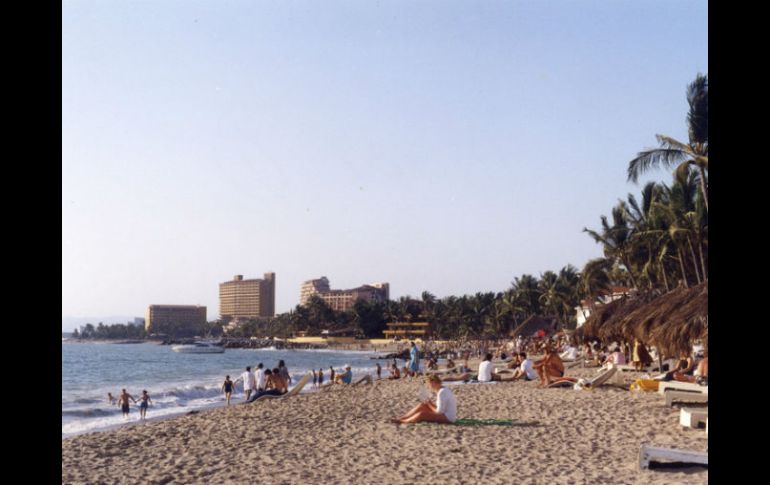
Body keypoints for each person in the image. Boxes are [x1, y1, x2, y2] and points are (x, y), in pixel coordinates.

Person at [391, 374, 457, 424]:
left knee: (422, 414)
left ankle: (403, 421)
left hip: (448, 418)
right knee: (422, 405)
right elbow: (441, 409)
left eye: (429, 384)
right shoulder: (443, 390)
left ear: (433, 383)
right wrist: (429, 403)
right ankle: (402, 417)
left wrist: (429, 404)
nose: (429, 387)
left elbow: (439, 412)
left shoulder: (442, 392)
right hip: (445, 414)